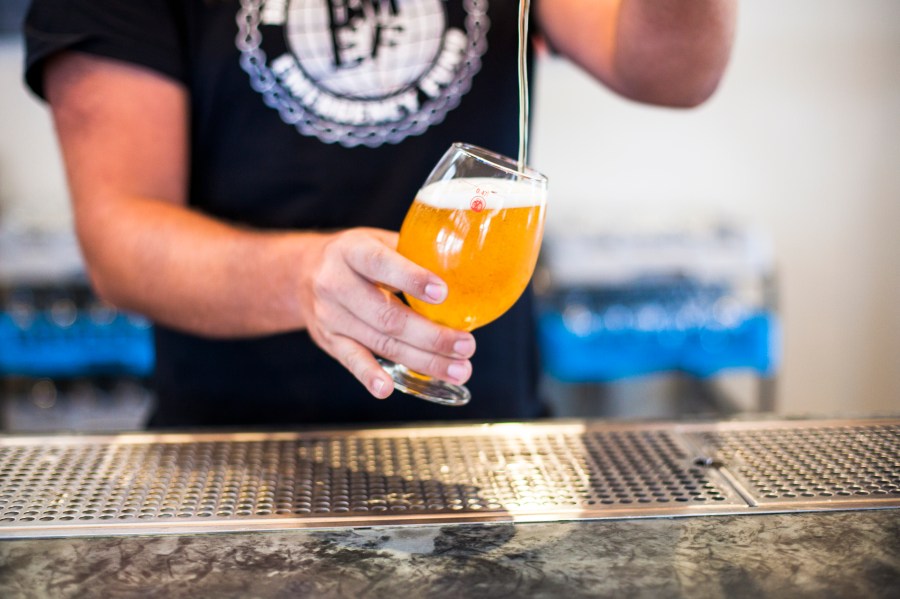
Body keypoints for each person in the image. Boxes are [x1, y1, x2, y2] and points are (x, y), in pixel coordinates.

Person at [23, 0, 736, 427]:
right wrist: (303, 276)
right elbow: (118, 234)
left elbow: (673, 69)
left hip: (485, 437)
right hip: (237, 453)